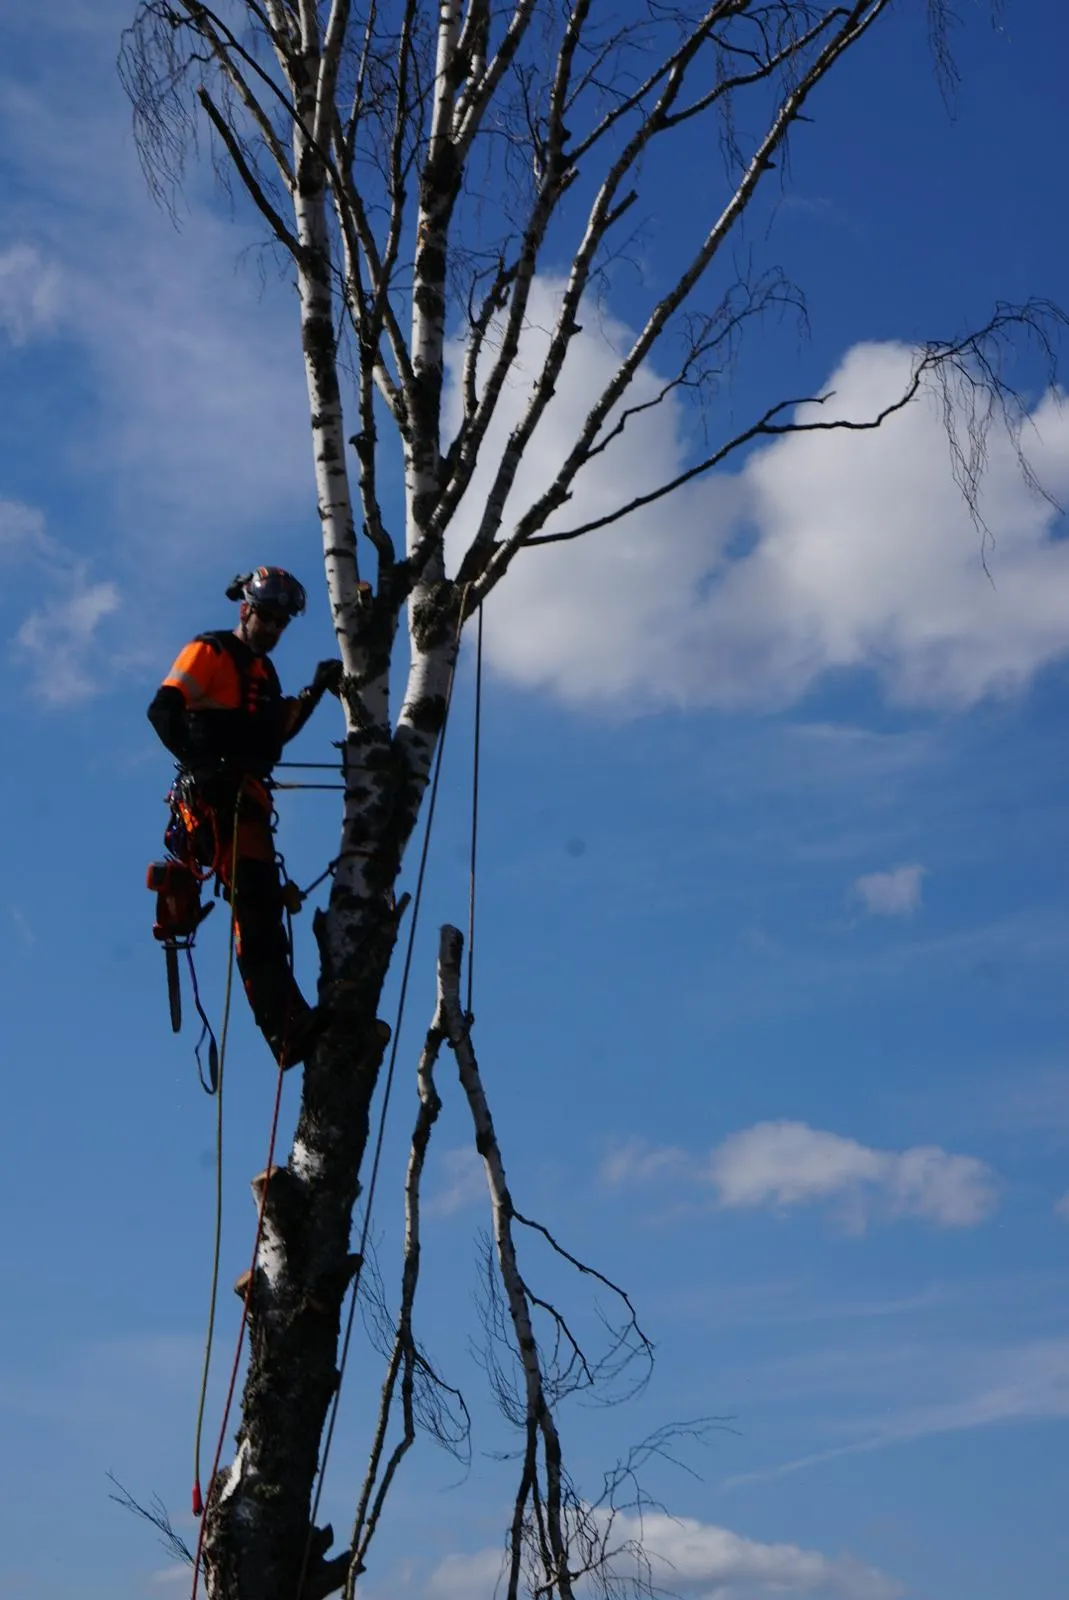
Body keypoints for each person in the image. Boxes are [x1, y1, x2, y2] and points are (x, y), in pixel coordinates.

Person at [147, 567, 343, 1067]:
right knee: (256, 912)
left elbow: (273, 736)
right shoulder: (210, 653)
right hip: (215, 806)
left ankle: (291, 1021)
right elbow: (163, 710)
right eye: (268, 618)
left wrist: (315, 692)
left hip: (247, 803)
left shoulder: (264, 674)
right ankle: (285, 1030)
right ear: (245, 610)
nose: (274, 630)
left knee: (263, 911)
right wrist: (200, 761)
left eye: (281, 623)